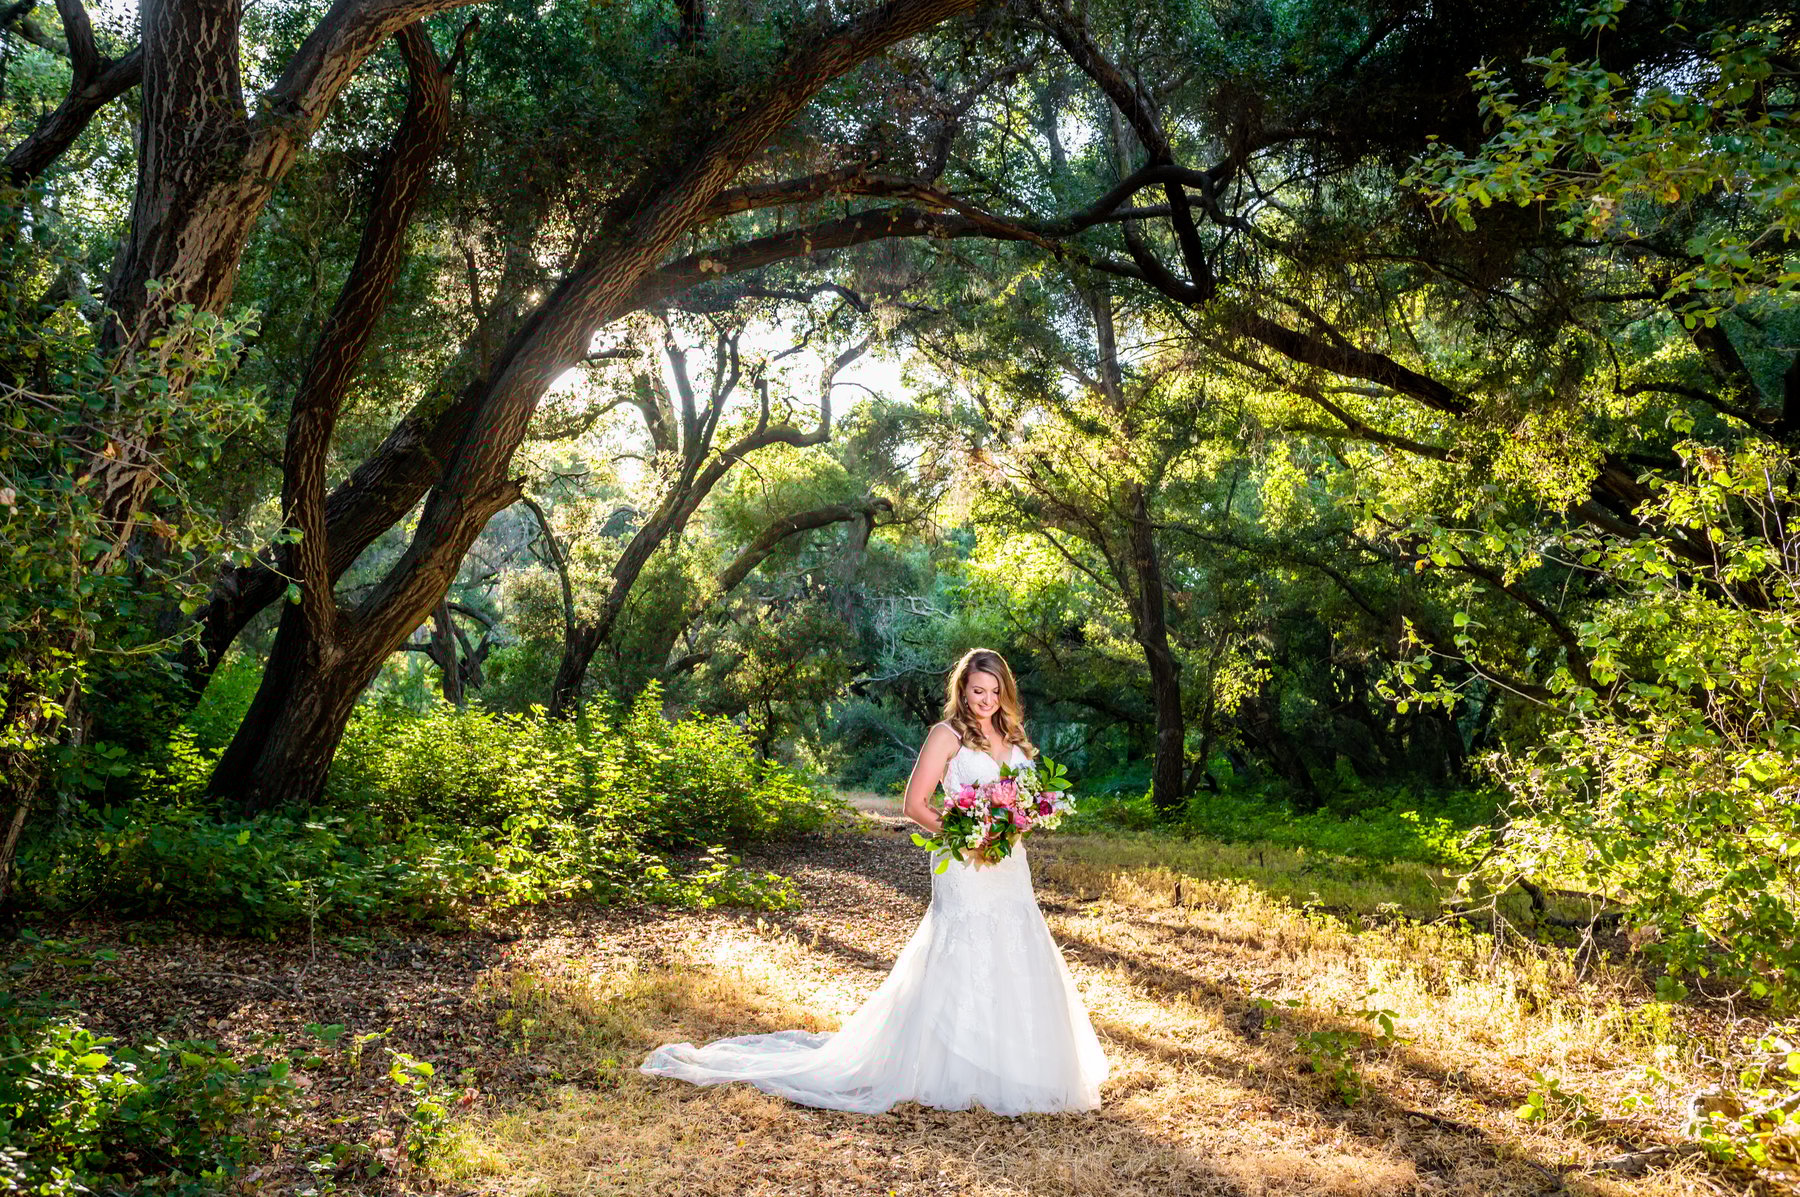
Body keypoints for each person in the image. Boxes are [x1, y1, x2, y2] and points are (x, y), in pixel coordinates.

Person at [639, 647, 1109, 1115]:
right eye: (977, 691)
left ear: (1005, 692)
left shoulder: (1015, 739)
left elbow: (1024, 802)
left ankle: (1015, 1062)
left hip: (1008, 865)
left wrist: (1020, 820)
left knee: (1014, 943)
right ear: (962, 691)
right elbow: (915, 804)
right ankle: (952, 1066)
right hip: (964, 863)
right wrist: (966, 836)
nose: (985, 700)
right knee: (962, 947)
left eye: (994, 691)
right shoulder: (946, 735)